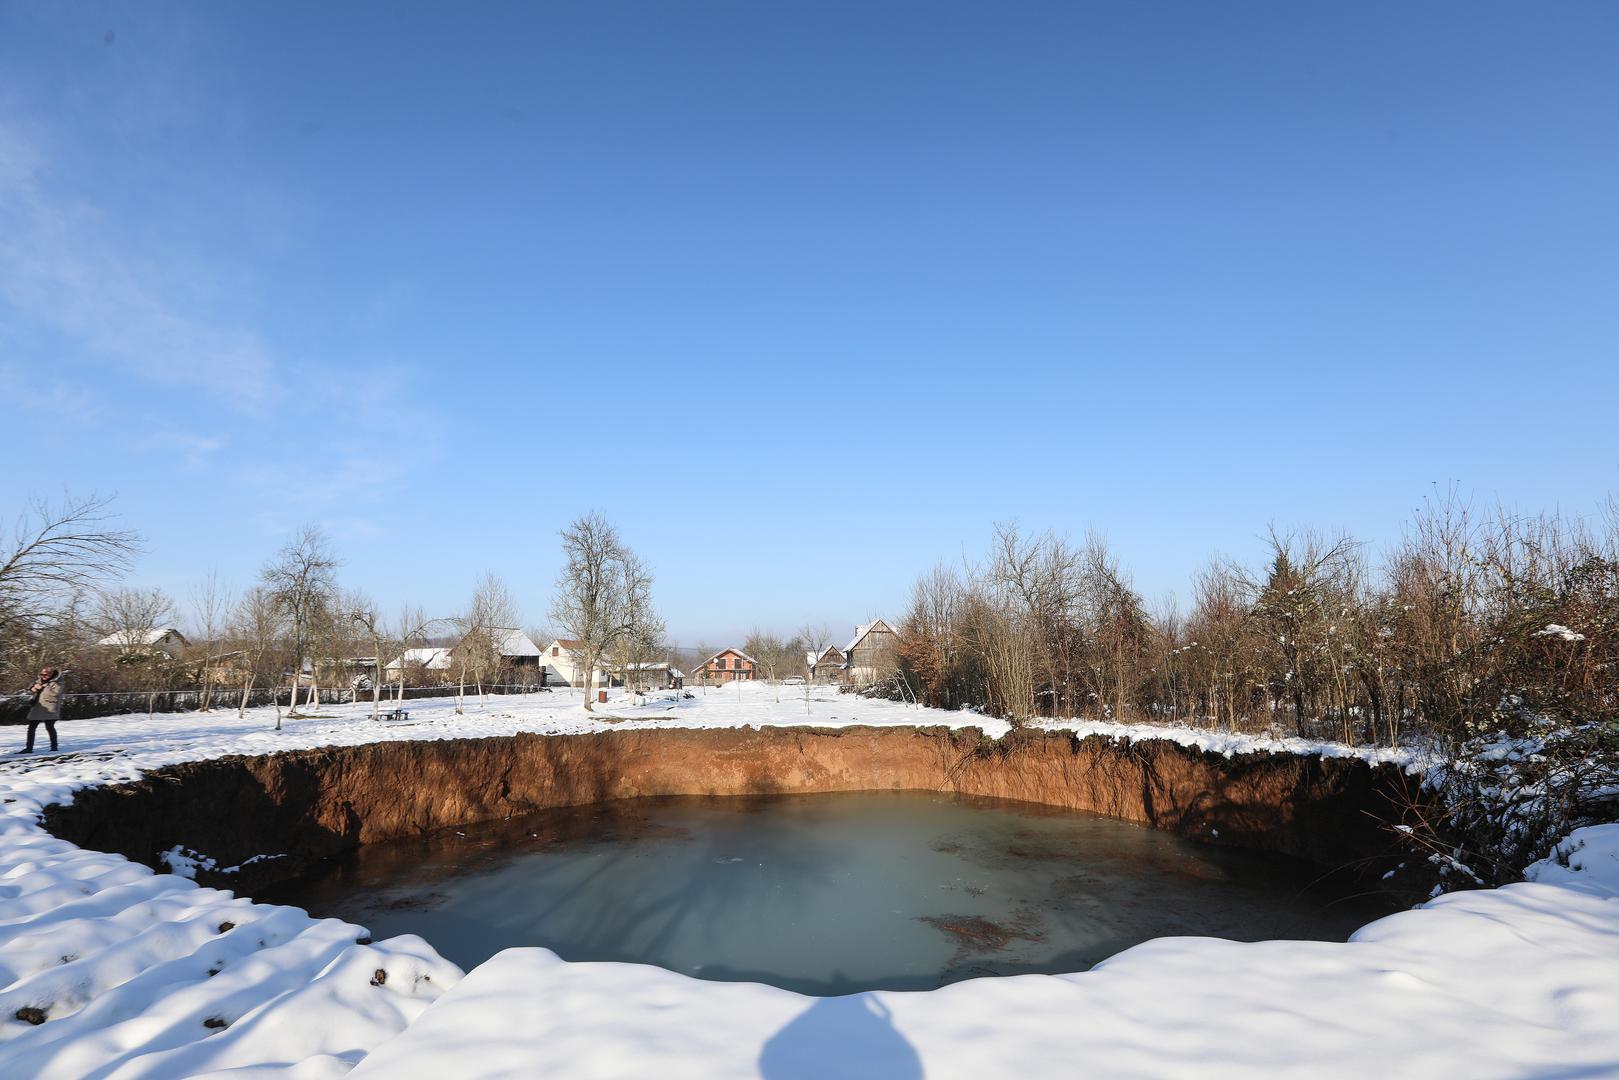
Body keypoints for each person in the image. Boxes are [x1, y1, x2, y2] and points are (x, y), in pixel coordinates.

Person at [21, 666, 62, 754]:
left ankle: (54, 747)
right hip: (37, 707)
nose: (43, 676)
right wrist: (33, 689)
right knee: (31, 728)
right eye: (41, 674)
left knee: (50, 728)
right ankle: (29, 748)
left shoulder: (58, 683)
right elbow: (31, 690)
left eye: (45, 674)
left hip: (50, 708)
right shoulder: (39, 681)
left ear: (51, 674)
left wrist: (43, 687)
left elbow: (55, 694)